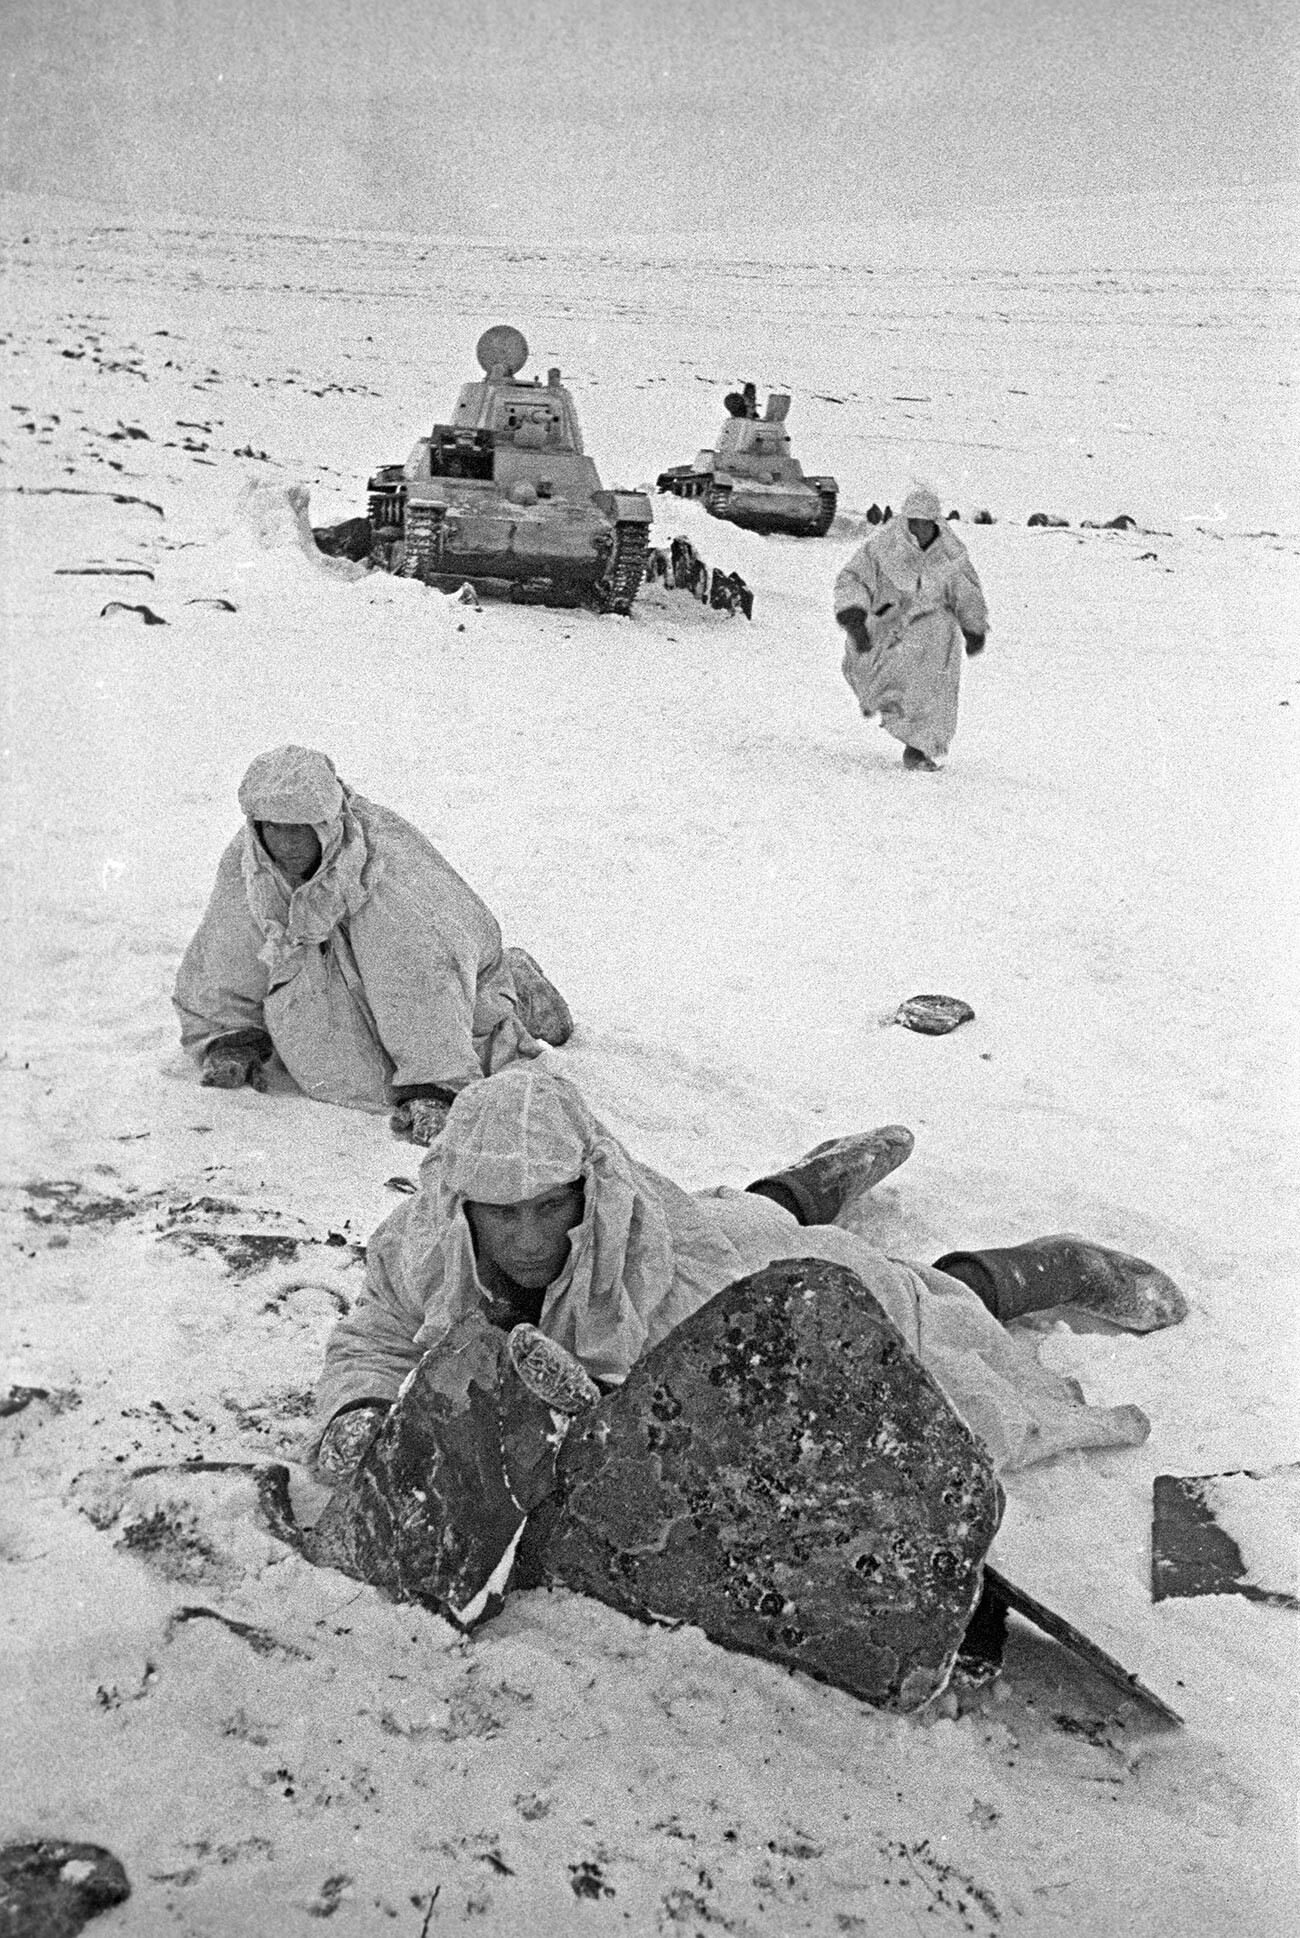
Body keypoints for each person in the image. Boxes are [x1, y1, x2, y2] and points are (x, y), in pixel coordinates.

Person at [311, 1063, 1180, 1479]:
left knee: (907, 1297)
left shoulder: (658, 1271)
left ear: (590, 1192)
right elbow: (377, 1339)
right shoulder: (420, 1242)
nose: (531, 1236)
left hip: (750, 1269)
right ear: (462, 1205)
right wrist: (357, 1414)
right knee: (756, 1204)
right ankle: (820, 1176)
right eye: (503, 1214)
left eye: (552, 1207)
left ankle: (1036, 1268)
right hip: (714, 1215)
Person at [173, 746, 572, 1144]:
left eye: (300, 828)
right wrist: (232, 1037)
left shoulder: (383, 866)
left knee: (504, 1027)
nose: (286, 843)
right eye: (274, 828)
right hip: (329, 993)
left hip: (442, 994)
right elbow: (226, 950)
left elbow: (421, 978)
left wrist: (433, 1087)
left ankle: (517, 981)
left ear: (327, 824)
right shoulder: (251, 861)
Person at [834, 486, 989, 770]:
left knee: (932, 688)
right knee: (875, 675)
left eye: (925, 523)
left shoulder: (950, 554)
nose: (919, 529)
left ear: (936, 523)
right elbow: (853, 577)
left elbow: (967, 593)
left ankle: (919, 748)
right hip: (886, 623)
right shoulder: (883, 547)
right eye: (913, 522)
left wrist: (973, 628)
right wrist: (854, 615)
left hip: (932, 633)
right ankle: (883, 703)